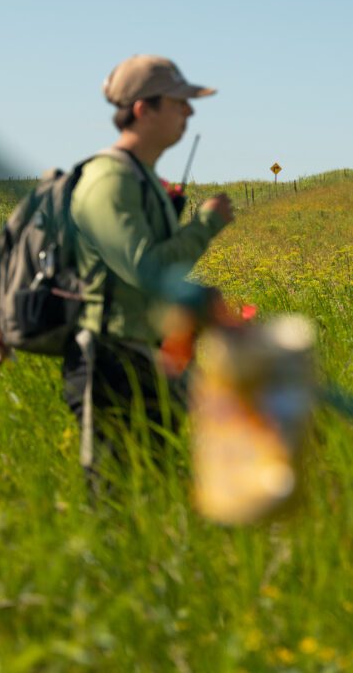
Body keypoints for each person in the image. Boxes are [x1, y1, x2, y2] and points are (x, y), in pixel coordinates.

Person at [62, 54, 234, 485]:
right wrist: (205, 226)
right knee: (115, 498)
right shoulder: (111, 181)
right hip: (110, 359)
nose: (189, 112)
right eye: (179, 102)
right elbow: (147, 269)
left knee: (154, 492)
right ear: (143, 109)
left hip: (145, 356)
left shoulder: (140, 178)